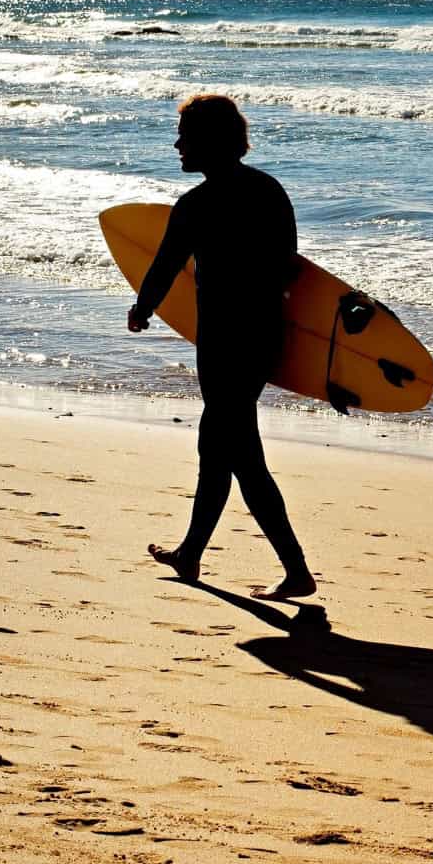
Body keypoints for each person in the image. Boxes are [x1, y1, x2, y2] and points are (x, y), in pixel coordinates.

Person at [128, 94, 317, 601]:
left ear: (208, 141)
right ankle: (191, 552)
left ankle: (296, 569)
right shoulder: (268, 191)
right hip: (262, 337)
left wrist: (142, 309)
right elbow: (291, 269)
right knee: (216, 445)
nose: (177, 144)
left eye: (185, 135)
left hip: (221, 340)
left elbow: (166, 265)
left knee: (240, 453)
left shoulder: (198, 205)